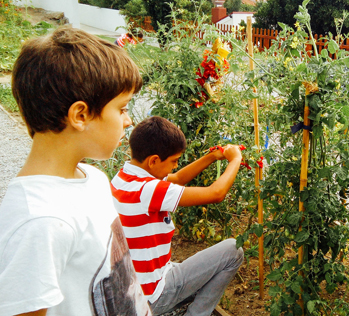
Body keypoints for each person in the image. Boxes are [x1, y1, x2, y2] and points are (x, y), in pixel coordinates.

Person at [0, 26, 148, 316]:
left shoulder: (93, 178)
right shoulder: (40, 223)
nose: (128, 121)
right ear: (80, 115)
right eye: (122, 108)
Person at [110, 116, 244, 316]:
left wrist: (213, 157)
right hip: (153, 296)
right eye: (173, 161)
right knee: (233, 251)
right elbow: (216, 193)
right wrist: (236, 159)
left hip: (133, 290)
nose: (174, 166)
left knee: (206, 271)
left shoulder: (124, 178)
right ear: (154, 160)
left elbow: (179, 178)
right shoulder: (148, 190)